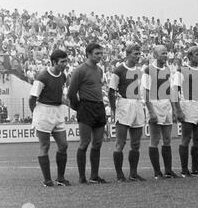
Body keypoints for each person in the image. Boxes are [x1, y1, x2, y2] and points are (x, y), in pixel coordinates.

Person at [68, 43, 107, 184]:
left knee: (97, 143)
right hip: (86, 107)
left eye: (101, 53)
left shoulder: (100, 70)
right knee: (84, 143)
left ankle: (94, 176)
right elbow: (71, 92)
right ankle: (82, 177)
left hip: (99, 107)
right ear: (88, 54)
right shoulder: (80, 70)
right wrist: (78, 107)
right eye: (97, 53)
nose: (100, 56)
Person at [29, 49, 70, 187]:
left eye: (66, 61)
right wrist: (35, 113)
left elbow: (59, 95)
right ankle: (47, 180)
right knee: (45, 146)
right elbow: (32, 97)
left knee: (63, 145)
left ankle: (60, 178)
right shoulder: (42, 76)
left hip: (58, 111)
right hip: (44, 111)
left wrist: (67, 102)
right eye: (62, 62)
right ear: (54, 62)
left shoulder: (63, 76)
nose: (64, 64)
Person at [109, 44, 146, 182]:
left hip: (137, 104)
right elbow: (111, 91)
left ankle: (133, 173)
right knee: (121, 142)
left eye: (139, 54)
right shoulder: (118, 70)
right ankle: (119, 175)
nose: (137, 57)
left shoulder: (139, 71)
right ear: (128, 54)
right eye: (135, 54)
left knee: (136, 143)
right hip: (124, 105)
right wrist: (113, 110)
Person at [142, 45, 179, 179]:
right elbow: (145, 92)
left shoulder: (168, 69)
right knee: (155, 139)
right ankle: (157, 172)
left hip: (166, 105)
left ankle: (168, 171)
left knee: (167, 139)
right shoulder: (148, 70)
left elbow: (171, 91)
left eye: (166, 53)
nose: (166, 55)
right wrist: (151, 111)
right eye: (163, 53)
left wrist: (174, 109)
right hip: (155, 105)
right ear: (155, 55)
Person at [173, 46, 198, 177]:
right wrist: (177, 110)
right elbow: (175, 91)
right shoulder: (181, 71)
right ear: (190, 56)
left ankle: (195, 168)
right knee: (186, 138)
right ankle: (184, 169)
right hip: (187, 105)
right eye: (197, 54)